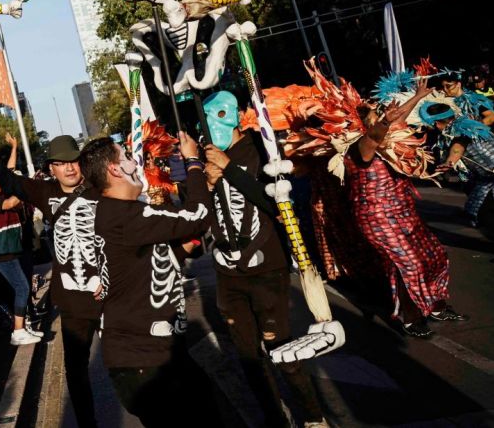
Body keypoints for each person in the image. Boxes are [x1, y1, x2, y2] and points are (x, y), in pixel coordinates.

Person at [199, 91, 325, 427]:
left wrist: (229, 171)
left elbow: (276, 205)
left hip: (266, 266)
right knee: (247, 356)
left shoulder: (261, 147)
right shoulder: (207, 157)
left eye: (222, 113)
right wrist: (204, 183)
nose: (214, 124)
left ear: (239, 115)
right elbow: (203, 220)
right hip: (228, 271)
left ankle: (313, 417)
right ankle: (274, 418)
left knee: (282, 349)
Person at [82, 133, 216, 426]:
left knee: (209, 405)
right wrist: (193, 163)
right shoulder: (127, 216)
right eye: (128, 157)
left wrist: (183, 247)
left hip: (154, 355)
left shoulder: (115, 213)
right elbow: (199, 214)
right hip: (144, 362)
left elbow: (141, 265)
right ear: (115, 170)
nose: (136, 162)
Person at [0, 130, 101, 427]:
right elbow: (9, 179)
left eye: (74, 161)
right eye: (61, 163)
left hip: (109, 295)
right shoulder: (46, 192)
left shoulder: (99, 189)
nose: (69, 168)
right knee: (76, 373)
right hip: (72, 301)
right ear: (51, 168)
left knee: (128, 365)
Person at [351, 83, 466, 336]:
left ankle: (436, 306)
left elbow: (396, 120)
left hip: (403, 211)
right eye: (373, 115)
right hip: (377, 215)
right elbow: (373, 138)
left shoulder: (391, 139)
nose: (379, 115)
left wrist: (418, 96)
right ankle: (410, 316)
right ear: (362, 122)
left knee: (434, 255)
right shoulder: (359, 146)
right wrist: (382, 124)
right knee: (408, 264)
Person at [0, 167, 40, 346]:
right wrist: (24, 189)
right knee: (23, 288)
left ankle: (22, 327)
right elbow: (10, 204)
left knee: (21, 288)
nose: (1, 185)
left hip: (5, 249)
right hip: (0, 251)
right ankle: (18, 331)